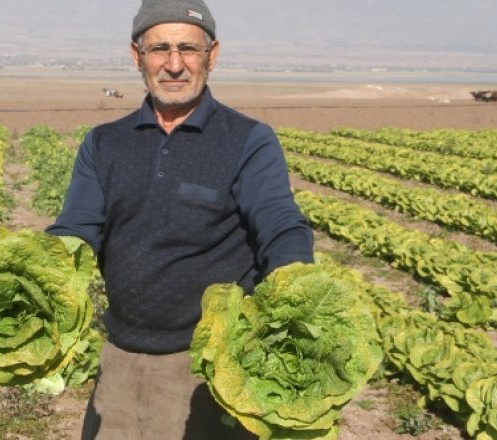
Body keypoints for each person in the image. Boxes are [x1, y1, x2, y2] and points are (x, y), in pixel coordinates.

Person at [46, 0, 314, 438]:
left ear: (213, 54)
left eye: (188, 49)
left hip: (211, 366)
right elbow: (76, 228)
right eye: (160, 49)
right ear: (137, 56)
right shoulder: (104, 143)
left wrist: (298, 288)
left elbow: (279, 223)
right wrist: (37, 268)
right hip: (120, 360)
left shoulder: (248, 140)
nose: (174, 65)